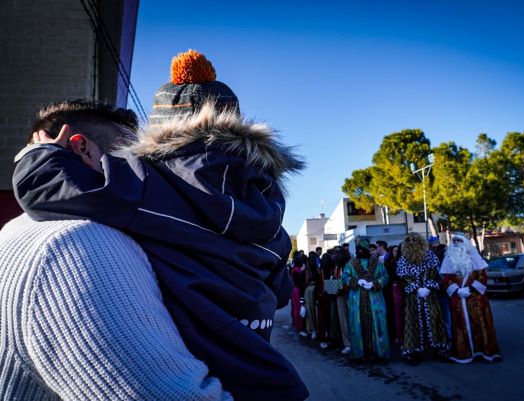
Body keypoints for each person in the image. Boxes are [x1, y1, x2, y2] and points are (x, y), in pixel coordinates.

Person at [12, 50, 308, 400]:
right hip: (265, 373)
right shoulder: (268, 202)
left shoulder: (152, 184)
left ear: (161, 132)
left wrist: (41, 155)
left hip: (208, 367)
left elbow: (45, 187)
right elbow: (279, 293)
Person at [0, 103, 233, 400]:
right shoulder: (81, 243)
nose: (141, 172)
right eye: (129, 158)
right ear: (82, 148)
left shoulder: (17, 229)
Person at [441, 234, 501, 364]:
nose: (456, 243)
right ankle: (465, 352)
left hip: (476, 299)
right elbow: (446, 279)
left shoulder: (476, 257)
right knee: (460, 325)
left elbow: (482, 277)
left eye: (459, 240)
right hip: (458, 300)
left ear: (466, 243)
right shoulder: (448, 259)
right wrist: (457, 290)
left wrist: (471, 289)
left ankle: (485, 351)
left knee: (481, 323)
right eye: (454, 241)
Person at [396, 232, 449, 365]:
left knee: (435, 319)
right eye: (410, 241)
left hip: (430, 295)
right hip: (413, 297)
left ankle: (439, 349)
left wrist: (429, 286)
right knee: (413, 322)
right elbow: (402, 279)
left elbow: (437, 275)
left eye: (415, 241)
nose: (413, 244)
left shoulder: (430, 256)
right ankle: (413, 352)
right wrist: (416, 288)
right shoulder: (403, 259)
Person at [341, 245, 390, 360]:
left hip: (375, 301)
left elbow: (385, 277)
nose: (360, 251)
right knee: (357, 324)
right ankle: (359, 352)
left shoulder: (378, 263)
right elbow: (344, 277)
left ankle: (379, 352)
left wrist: (375, 283)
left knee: (378, 324)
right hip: (357, 301)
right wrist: (357, 281)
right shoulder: (350, 264)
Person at [290, 256, 308, 336]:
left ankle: (299, 328)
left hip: (294, 290)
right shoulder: (297, 271)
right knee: (299, 310)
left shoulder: (294, 270)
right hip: (297, 291)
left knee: (296, 309)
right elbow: (299, 283)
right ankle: (299, 329)